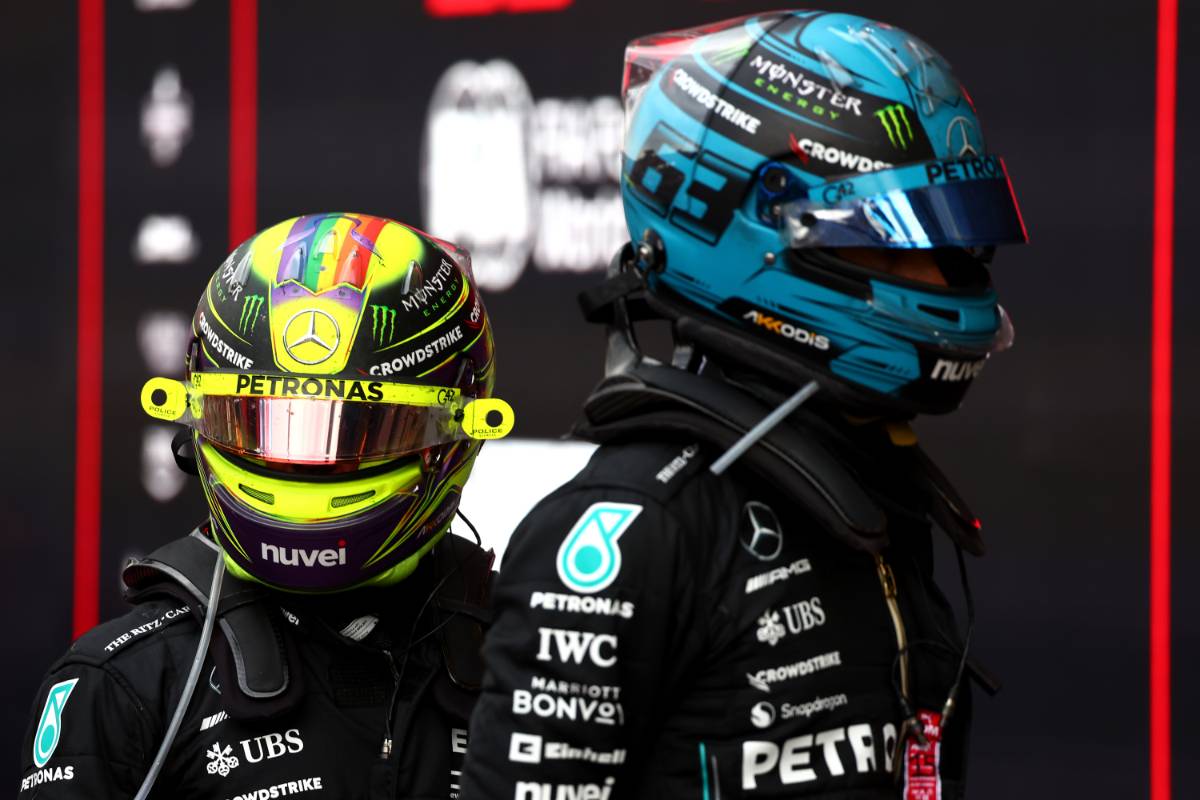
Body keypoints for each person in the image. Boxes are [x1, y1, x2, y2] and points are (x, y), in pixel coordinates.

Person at [460, 10, 1024, 799]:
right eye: (905, 241)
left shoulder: (867, 490)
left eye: (958, 246)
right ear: (763, 227)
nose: (947, 278)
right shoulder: (642, 530)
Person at [19, 213, 514, 799]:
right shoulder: (130, 683)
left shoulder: (531, 652)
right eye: (263, 423)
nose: (303, 464)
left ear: (460, 431)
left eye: (356, 431)